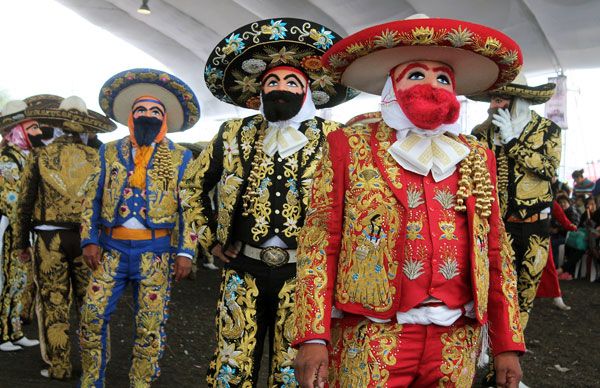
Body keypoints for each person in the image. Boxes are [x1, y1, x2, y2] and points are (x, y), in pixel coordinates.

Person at [293, 14, 525, 388]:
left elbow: (496, 251)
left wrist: (506, 343)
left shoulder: (477, 155)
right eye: (417, 75)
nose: (432, 85)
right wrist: (313, 335)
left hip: (456, 337)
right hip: (370, 332)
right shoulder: (349, 146)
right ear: (392, 86)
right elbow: (319, 243)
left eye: (443, 78)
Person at [180, 17, 355, 387]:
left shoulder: (334, 137)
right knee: (231, 368)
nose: (281, 87)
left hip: (305, 275)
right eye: (271, 81)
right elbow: (192, 185)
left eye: (292, 82)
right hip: (242, 267)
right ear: (258, 91)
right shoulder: (234, 132)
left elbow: (353, 201)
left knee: (294, 373)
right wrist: (209, 237)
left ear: (308, 91)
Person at [78, 68, 200, 387]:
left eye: (155, 111)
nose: (148, 115)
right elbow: (91, 197)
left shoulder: (181, 157)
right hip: (110, 249)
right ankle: (92, 380)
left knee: (149, 325)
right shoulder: (108, 151)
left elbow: (190, 207)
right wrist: (88, 240)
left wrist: (186, 252)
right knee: (91, 315)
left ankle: (141, 383)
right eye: (141, 110)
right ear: (131, 117)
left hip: (155, 252)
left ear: (164, 119)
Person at [10, 95, 115, 378]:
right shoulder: (99, 158)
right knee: (91, 303)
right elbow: (108, 203)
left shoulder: (40, 155)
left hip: (49, 240)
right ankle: (94, 366)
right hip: (88, 240)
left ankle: (59, 366)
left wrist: (20, 242)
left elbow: (24, 202)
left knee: (54, 302)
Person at [0, 95, 51, 352]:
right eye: (32, 128)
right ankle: (3, 334)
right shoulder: (8, 158)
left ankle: (15, 331)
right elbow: (10, 198)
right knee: (9, 280)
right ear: (18, 131)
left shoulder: (26, 156)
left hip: (22, 228)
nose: (38, 132)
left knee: (20, 282)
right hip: (10, 230)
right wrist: (27, 222)